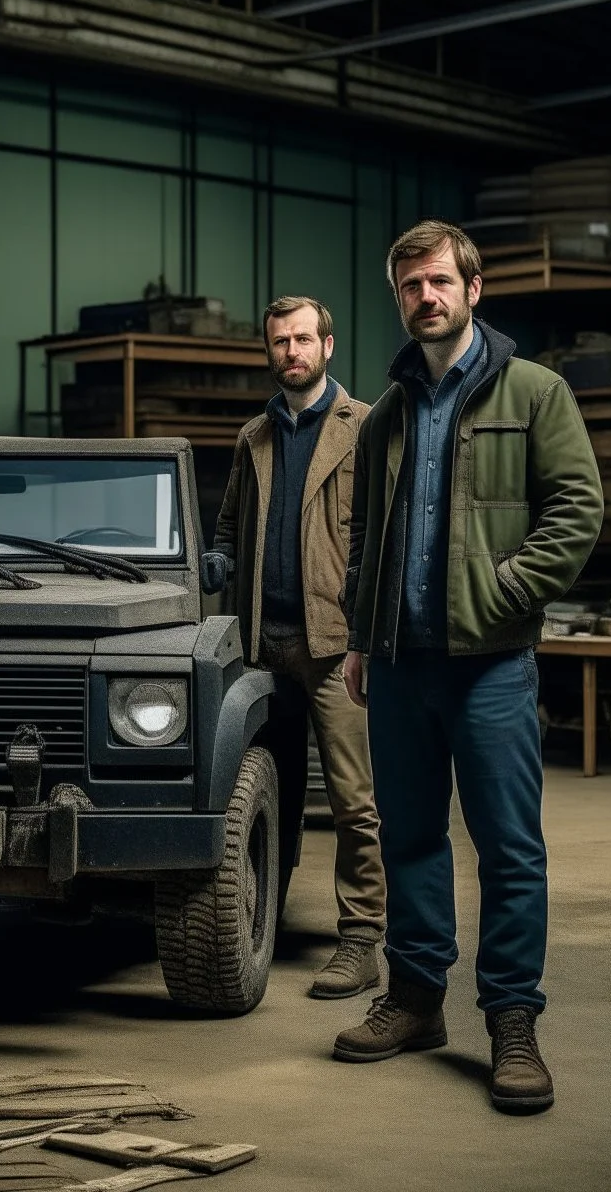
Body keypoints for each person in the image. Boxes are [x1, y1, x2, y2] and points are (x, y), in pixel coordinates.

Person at [335, 219, 603, 1113]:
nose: (426, 297)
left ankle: (512, 1020)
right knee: (410, 837)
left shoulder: (536, 392)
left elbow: (576, 507)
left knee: (508, 849)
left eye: (440, 281)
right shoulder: (390, 414)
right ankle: (415, 998)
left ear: (473, 288)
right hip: (402, 664)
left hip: (491, 665)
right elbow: (366, 533)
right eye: (409, 285)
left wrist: (509, 591)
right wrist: (364, 637)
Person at [214, 294, 386, 999]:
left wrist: (370, 635)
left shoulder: (367, 426)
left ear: (329, 345)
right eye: (280, 342)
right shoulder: (253, 435)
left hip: (335, 647)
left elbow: (385, 535)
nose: (292, 352)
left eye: (304, 340)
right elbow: (226, 528)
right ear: (270, 350)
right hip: (264, 648)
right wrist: (213, 568)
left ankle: (362, 939)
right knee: (267, 793)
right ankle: (267, 918)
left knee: (353, 799)